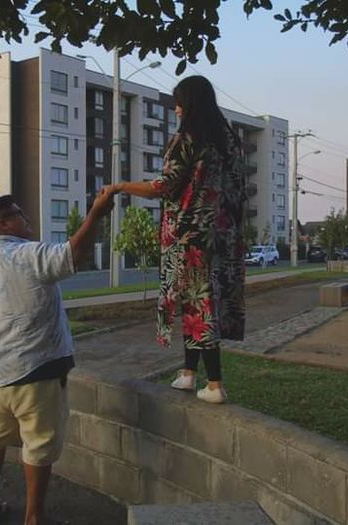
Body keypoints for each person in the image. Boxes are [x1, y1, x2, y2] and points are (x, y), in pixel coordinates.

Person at [0, 191, 113, 525]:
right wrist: (97, 213)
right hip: (38, 373)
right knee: (38, 445)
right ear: (2, 223)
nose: (26, 218)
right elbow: (74, 254)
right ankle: (34, 517)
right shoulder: (28, 255)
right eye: (19, 212)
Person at [104, 75, 247, 404]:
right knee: (197, 302)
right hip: (221, 234)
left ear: (190, 103)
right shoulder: (228, 140)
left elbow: (164, 186)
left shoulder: (188, 138)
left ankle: (214, 385)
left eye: (179, 102)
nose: (177, 108)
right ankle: (187, 373)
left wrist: (120, 186)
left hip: (190, 235)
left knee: (198, 304)